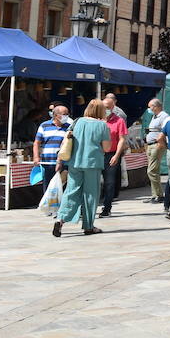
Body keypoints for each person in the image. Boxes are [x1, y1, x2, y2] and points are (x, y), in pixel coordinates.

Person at [52, 98, 113, 237]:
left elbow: (66, 140)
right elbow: (107, 147)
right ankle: (88, 226)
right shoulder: (102, 126)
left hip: (75, 162)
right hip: (92, 163)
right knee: (90, 194)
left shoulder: (77, 121)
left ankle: (61, 219)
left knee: (71, 191)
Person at [98, 93, 129, 217]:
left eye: (108, 107)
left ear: (112, 107)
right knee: (93, 182)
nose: (105, 110)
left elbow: (122, 139)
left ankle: (107, 207)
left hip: (111, 154)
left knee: (109, 182)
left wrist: (117, 155)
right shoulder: (96, 120)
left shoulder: (119, 120)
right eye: (103, 107)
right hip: (97, 154)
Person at [33, 104, 71, 196]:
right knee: (48, 186)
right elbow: (37, 143)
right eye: (64, 114)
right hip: (47, 162)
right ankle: (48, 208)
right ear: (56, 115)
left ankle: (60, 208)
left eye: (67, 114)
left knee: (62, 186)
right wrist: (36, 157)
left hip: (64, 163)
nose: (66, 116)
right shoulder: (44, 125)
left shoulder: (69, 127)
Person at [141, 99, 168, 203]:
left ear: (156, 106)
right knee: (154, 171)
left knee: (151, 171)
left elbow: (164, 131)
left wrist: (160, 144)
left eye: (150, 107)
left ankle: (159, 195)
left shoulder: (164, 116)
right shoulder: (154, 116)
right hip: (150, 145)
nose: (149, 109)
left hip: (157, 145)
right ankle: (155, 194)